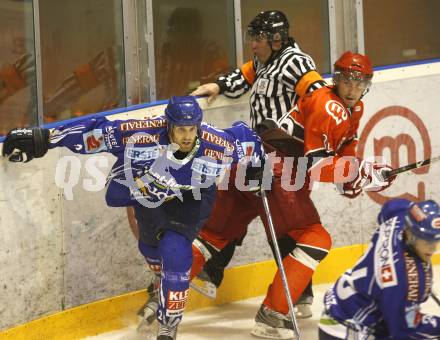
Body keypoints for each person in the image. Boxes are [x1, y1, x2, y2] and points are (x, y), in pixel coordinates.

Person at [2, 95, 265, 340]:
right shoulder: (139, 133)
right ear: (168, 125)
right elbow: (94, 132)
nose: (187, 136)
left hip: (191, 200)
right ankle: (161, 277)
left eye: (192, 129)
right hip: (148, 194)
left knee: (175, 252)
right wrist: (46, 138)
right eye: (181, 130)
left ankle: (168, 328)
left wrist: (258, 171)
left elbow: (250, 139)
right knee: (150, 248)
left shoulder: (218, 145)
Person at [189, 51, 397, 339]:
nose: (353, 88)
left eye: (359, 83)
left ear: (367, 85)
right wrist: (362, 172)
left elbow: (343, 160)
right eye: (347, 81)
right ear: (336, 79)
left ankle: (159, 300)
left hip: (252, 163)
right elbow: (317, 165)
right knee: (316, 238)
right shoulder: (330, 106)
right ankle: (273, 315)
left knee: (211, 236)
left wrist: (356, 180)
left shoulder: (353, 110)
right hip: (277, 169)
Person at [190, 9, 328, 316]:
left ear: (276, 40)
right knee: (242, 207)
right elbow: (245, 75)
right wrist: (219, 86)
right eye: (253, 38)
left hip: (287, 156)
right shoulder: (265, 62)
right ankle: (298, 292)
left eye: (259, 39)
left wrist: (286, 130)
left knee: (275, 221)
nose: (253, 44)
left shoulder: (297, 62)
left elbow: (318, 102)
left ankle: (291, 292)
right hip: (262, 155)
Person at [318, 198, 440, 339]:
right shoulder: (402, 279)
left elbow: (390, 207)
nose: (432, 247)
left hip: (342, 308)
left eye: (436, 240)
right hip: (348, 331)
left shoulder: (400, 218)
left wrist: (415, 209)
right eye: (425, 240)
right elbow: (403, 330)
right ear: (410, 233)